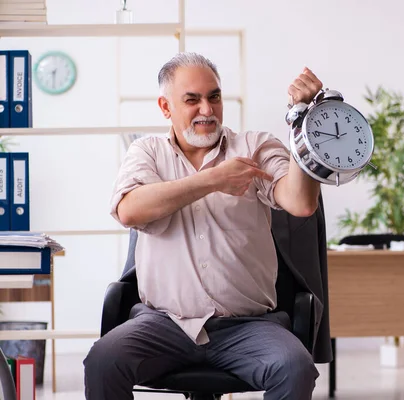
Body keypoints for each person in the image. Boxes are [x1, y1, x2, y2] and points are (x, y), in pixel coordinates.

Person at [83, 52, 324, 400]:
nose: (207, 110)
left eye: (214, 97)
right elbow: (130, 211)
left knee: (295, 367)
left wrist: (304, 124)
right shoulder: (147, 152)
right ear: (166, 107)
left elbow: (301, 203)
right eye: (192, 100)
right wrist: (213, 180)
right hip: (163, 324)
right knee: (103, 361)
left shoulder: (253, 147)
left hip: (249, 327)